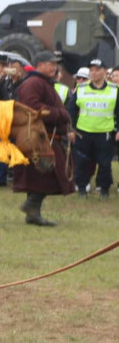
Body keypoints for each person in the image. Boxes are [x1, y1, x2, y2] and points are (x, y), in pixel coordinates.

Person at [12, 51, 74, 226]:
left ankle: (33, 211)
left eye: (55, 64)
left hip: (48, 135)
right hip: (40, 137)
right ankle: (31, 206)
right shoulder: (33, 83)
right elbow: (33, 108)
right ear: (39, 65)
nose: (54, 67)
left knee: (42, 175)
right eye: (50, 63)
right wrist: (60, 114)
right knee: (47, 173)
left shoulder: (42, 82)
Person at [67, 60, 115, 200]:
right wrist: (71, 130)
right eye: (91, 70)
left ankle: (104, 189)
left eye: (97, 70)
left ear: (105, 71)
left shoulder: (114, 89)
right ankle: (82, 188)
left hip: (105, 133)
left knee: (105, 163)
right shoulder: (81, 88)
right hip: (83, 132)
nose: (93, 73)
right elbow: (71, 111)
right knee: (82, 161)